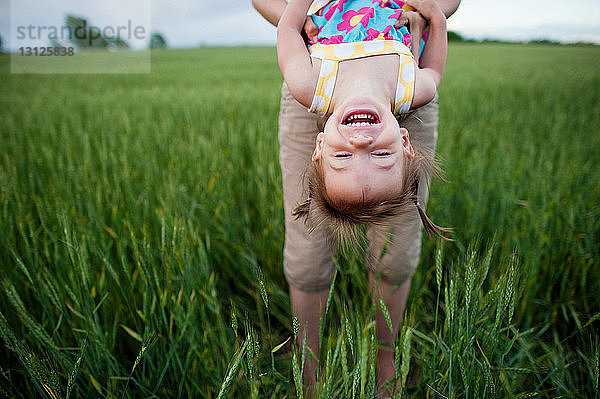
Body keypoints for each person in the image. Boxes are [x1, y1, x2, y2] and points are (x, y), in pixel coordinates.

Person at [253, 0, 460, 397]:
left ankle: (386, 360)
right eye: (379, 154)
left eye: (345, 154)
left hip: (319, 74)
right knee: (306, 247)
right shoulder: (410, 88)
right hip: (344, 69)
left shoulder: (309, 85)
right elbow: (433, 71)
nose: (361, 142)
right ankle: (308, 372)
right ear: (403, 144)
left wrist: (431, 9)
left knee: (397, 248)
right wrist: (434, 20)